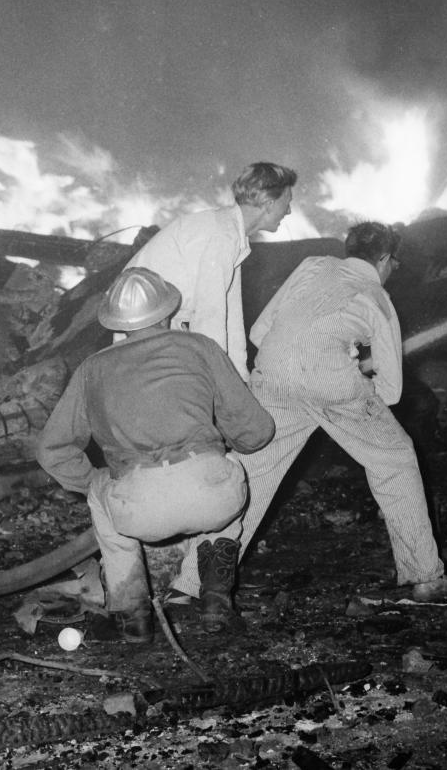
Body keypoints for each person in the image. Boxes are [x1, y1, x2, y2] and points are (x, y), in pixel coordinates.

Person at [171, 222, 447, 608]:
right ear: (387, 259)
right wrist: (358, 362)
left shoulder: (312, 265)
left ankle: (190, 585)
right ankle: (425, 579)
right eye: (395, 263)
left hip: (273, 372)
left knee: (250, 477)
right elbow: (391, 391)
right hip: (332, 383)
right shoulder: (378, 298)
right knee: (396, 460)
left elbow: (259, 332)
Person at [34, 267, 275, 643]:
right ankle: (215, 600)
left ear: (118, 324)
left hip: (139, 509)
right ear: (167, 312)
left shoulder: (92, 369)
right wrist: (219, 448)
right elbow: (256, 431)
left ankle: (134, 618)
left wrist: (94, 482)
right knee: (230, 469)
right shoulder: (200, 347)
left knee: (101, 496)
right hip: (212, 499)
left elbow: (52, 448)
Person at [124, 161, 296, 380]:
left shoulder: (232, 233)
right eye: (287, 202)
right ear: (269, 202)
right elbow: (209, 320)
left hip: (163, 324)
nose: (289, 211)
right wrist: (222, 386)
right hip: (140, 323)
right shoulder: (221, 235)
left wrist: (240, 378)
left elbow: (230, 319)